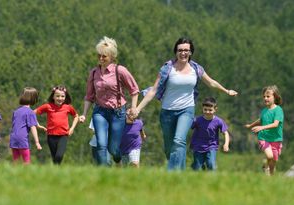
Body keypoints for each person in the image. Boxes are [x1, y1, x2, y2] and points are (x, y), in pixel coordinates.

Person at [129, 37, 238, 171]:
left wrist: (226, 90)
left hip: (186, 110)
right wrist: (138, 109)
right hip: (167, 112)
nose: (183, 53)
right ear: (176, 52)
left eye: (186, 50)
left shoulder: (196, 68)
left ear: (191, 52)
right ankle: (179, 170)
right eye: (180, 50)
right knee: (170, 148)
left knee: (179, 140)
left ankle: (173, 173)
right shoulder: (167, 68)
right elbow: (154, 90)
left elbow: (211, 82)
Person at [80, 36, 140, 166]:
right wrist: (84, 114)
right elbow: (89, 96)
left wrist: (134, 108)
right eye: (99, 56)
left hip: (118, 113)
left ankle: (118, 158)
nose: (101, 59)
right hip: (99, 112)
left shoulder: (120, 71)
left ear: (112, 57)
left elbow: (134, 90)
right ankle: (104, 172)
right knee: (101, 144)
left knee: (113, 148)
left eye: (104, 56)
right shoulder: (94, 72)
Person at [245, 85, 284, 175]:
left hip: (276, 139)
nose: (265, 98)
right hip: (264, 138)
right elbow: (261, 120)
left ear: (275, 97)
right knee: (269, 156)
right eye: (264, 97)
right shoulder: (264, 111)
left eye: (268, 96)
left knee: (273, 160)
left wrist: (261, 127)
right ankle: (266, 167)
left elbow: (275, 124)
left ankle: (270, 174)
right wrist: (251, 125)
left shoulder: (278, 110)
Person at [35, 85, 79, 165]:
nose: (60, 98)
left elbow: (76, 116)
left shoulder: (68, 107)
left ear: (65, 97)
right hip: (51, 136)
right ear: (53, 97)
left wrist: (72, 128)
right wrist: (37, 125)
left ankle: (56, 170)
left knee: (59, 156)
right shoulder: (47, 106)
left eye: (62, 96)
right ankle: (56, 173)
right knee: (54, 158)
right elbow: (33, 113)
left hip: (63, 135)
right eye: (57, 96)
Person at [190, 97, 230, 171]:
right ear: (202, 108)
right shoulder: (197, 120)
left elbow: (226, 133)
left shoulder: (218, 121)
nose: (207, 112)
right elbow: (187, 128)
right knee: (197, 168)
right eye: (205, 109)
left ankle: (212, 179)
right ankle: (199, 166)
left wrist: (226, 144)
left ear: (215, 109)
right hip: (198, 146)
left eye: (210, 110)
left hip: (211, 146)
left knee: (211, 164)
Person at [9, 87, 42, 164]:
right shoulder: (30, 112)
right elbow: (33, 127)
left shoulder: (16, 111)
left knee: (16, 160)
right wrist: (37, 142)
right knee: (26, 161)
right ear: (34, 99)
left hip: (13, 138)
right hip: (22, 138)